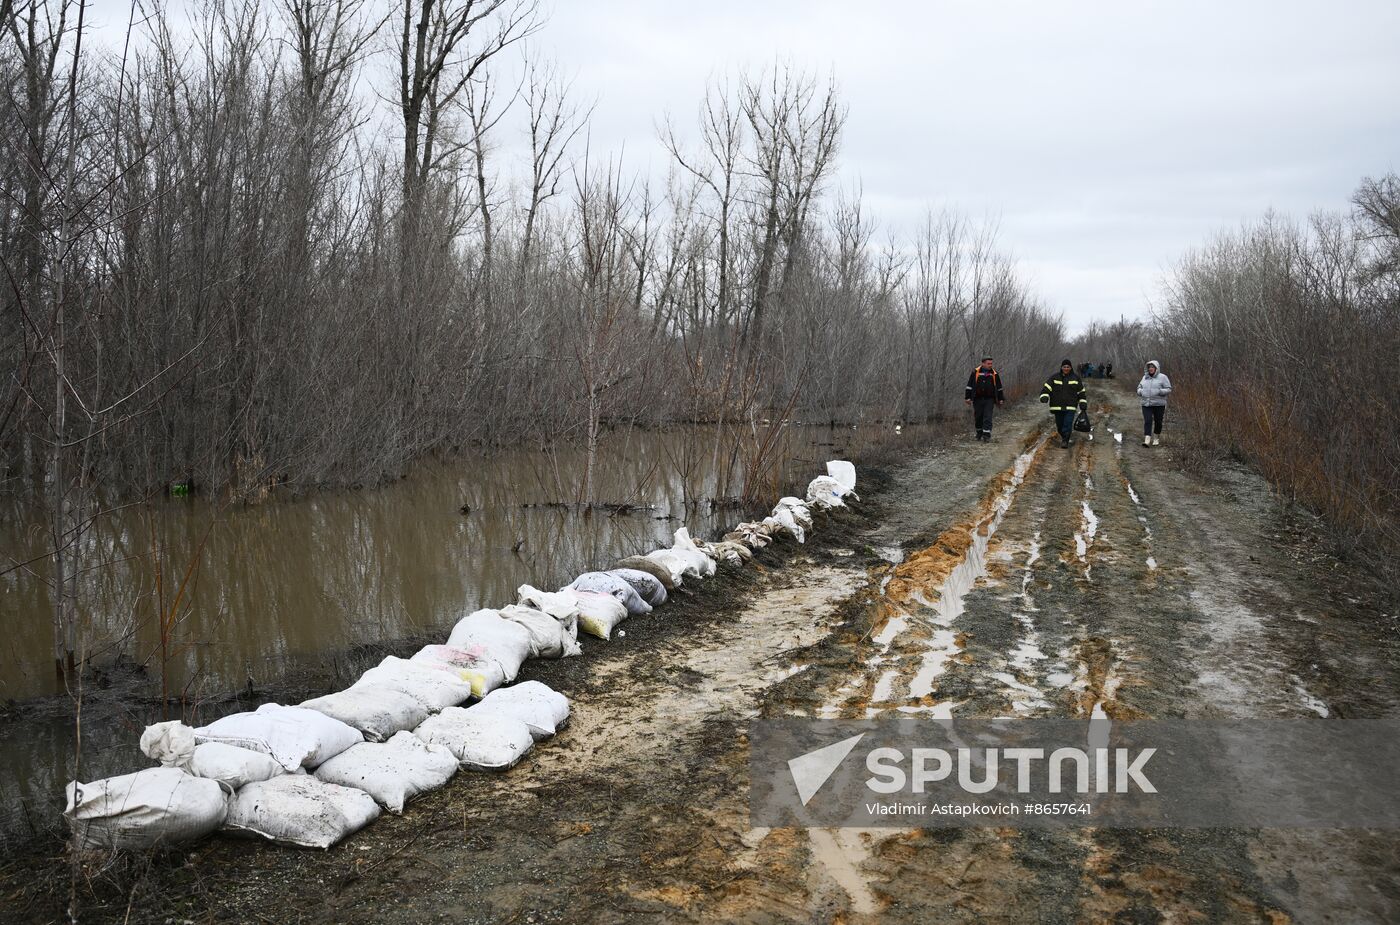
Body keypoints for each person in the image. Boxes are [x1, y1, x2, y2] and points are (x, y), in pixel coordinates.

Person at [1039, 359, 1088, 448]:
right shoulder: (1054, 377)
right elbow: (1046, 388)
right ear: (1061, 368)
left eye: (1068, 367)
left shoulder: (1076, 378)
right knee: (1060, 426)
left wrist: (1083, 403)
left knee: (1067, 424)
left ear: (1071, 368)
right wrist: (1044, 396)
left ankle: (1065, 440)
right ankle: (1064, 436)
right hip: (1057, 407)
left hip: (1070, 407)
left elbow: (1081, 392)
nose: (1066, 368)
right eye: (1064, 367)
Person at [964, 356, 1005, 442]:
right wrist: (967, 397)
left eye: (991, 363)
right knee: (978, 417)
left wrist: (1001, 399)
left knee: (988, 416)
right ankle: (979, 433)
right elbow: (969, 386)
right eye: (988, 363)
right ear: (983, 363)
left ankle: (986, 435)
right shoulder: (975, 372)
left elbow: (999, 387)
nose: (990, 365)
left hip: (989, 399)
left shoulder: (994, 374)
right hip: (977, 399)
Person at [1136, 360, 1172, 446]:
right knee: (1147, 421)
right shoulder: (1145, 377)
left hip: (1159, 404)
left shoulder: (1163, 377)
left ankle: (1156, 438)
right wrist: (1141, 392)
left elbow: (1169, 389)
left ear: (1156, 368)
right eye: (1149, 367)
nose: (1150, 369)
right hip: (1146, 403)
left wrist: (1159, 391)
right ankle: (1147, 439)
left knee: (1158, 421)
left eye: (1152, 367)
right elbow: (1139, 387)